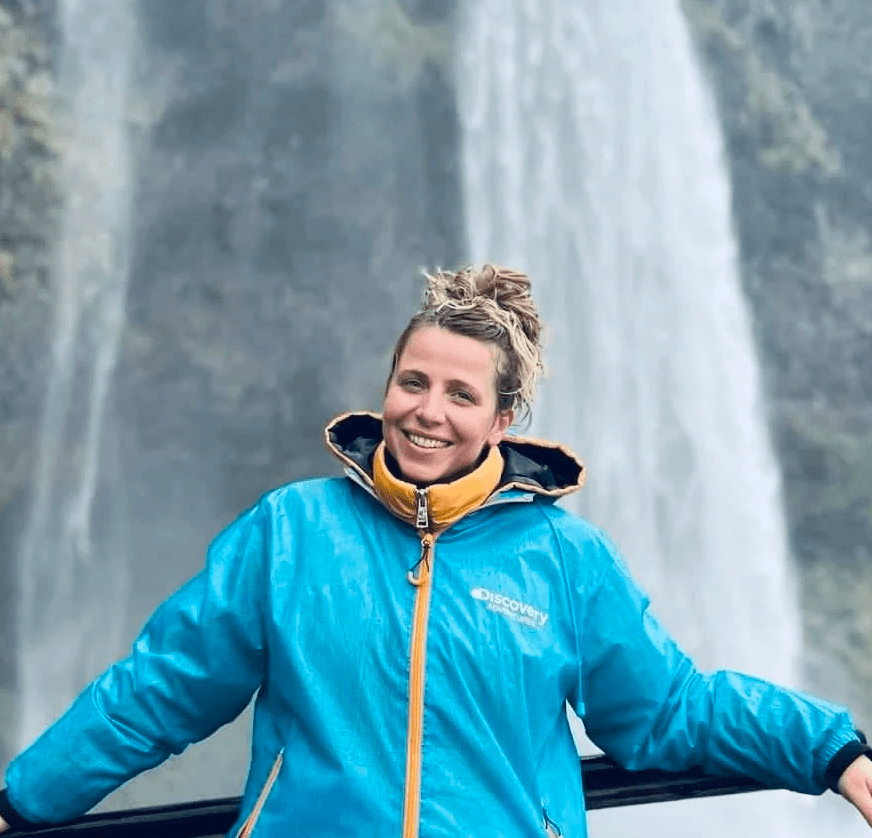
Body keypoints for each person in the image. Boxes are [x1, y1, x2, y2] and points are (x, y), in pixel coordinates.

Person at [1, 264, 871, 837]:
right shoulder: (292, 531)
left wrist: (830, 751)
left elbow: (668, 709)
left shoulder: (564, 559)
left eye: (461, 393)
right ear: (385, 389)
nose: (428, 411)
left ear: (501, 419)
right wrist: (20, 801)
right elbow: (157, 692)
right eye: (412, 382)